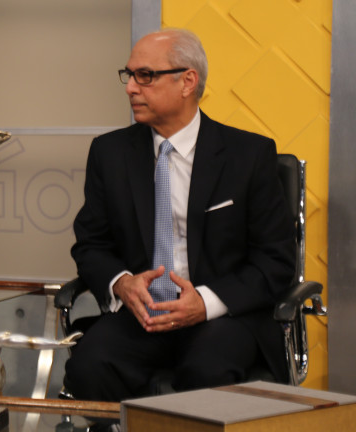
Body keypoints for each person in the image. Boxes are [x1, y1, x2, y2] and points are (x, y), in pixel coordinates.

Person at [63, 28, 296, 403]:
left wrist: (204, 302)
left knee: (207, 372)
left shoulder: (248, 156)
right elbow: (91, 245)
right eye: (129, 75)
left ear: (188, 81)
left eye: (145, 76)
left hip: (222, 315)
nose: (131, 88)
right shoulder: (110, 153)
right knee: (89, 366)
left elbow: (275, 261)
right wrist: (122, 283)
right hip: (143, 315)